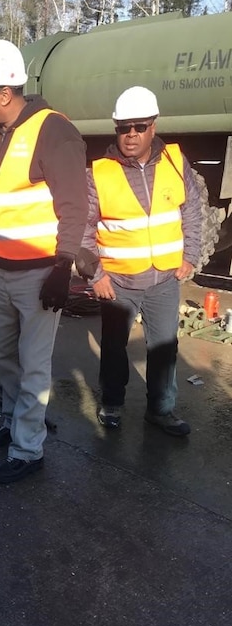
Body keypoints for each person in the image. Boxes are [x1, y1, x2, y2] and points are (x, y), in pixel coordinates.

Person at [0, 40, 88, 484]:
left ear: (6, 93)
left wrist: (62, 268)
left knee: (34, 364)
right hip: (4, 270)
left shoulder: (53, 131)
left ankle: (28, 450)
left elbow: (74, 206)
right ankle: (13, 420)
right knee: (4, 355)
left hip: (39, 273)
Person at [79, 86, 200, 436]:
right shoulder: (99, 172)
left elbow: (191, 209)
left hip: (163, 279)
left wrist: (190, 256)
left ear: (154, 125)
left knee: (164, 348)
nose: (131, 134)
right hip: (118, 282)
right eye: (123, 127)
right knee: (115, 350)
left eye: (139, 126)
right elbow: (83, 231)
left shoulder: (177, 162)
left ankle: (161, 412)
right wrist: (96, 275)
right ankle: (112, 404)